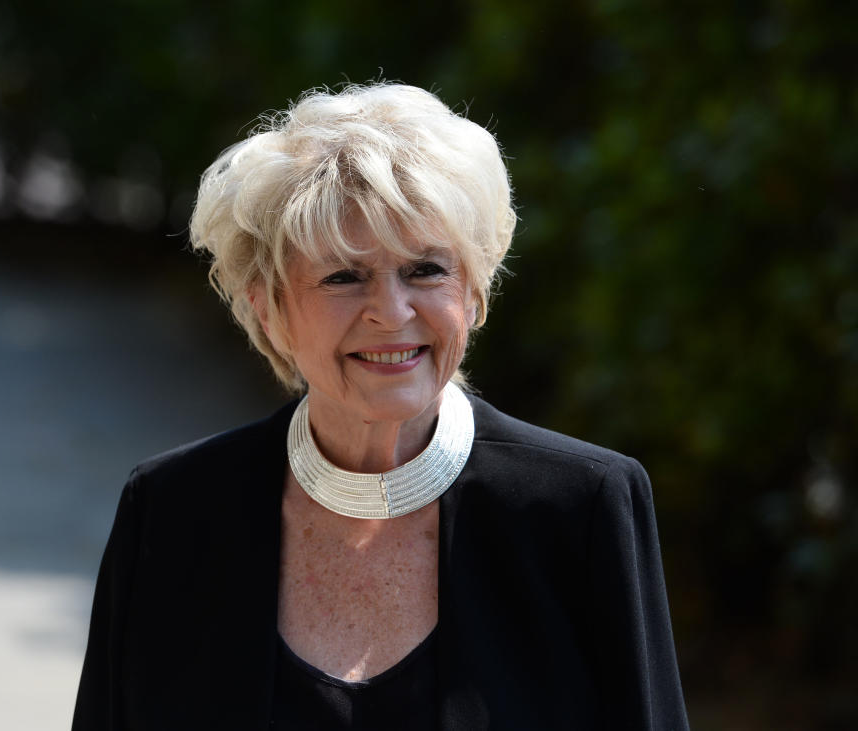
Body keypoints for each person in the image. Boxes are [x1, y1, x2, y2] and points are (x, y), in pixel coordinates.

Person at [72, 83, 689, 730]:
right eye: (343, 275)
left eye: (425, 269)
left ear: (474, 293)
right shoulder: (172, 511)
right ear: (268, 310)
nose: (392, 313)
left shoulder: (583, 508)